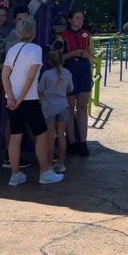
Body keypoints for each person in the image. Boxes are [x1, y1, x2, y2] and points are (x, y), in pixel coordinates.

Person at [2, 16, 63, 186]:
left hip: (12, 100)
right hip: (28, 99)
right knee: (41, 134)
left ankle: (15, 174)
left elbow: (5, 75)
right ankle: (44, 172)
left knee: (15, 136)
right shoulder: (35, 49)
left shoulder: (12, 49)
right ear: (33, 32)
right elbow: (30, 77)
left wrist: (11, 98)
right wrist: (20, 99)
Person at [59, 10, 95, 156]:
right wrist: (74, 53)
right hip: (69, 71)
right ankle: (72, 141)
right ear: (70, 20)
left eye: (81, 18)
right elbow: (58, 58)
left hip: (84, 71)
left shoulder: (88, 35)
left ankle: (83, 142)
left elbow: (92, 56)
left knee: (82, 107)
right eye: (77, 18)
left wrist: (89, 57)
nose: (79, 21)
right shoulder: (62, 37)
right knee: (69, 107)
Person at [38, 45, 74, 173]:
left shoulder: (46, 74)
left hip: (49, 108)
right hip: (63, 106)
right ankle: (61, 162)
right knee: (61, 135)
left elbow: (40, 90)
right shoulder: (68, 73)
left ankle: (49, 164)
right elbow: (70, 89)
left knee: (50, 136)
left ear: (48, 61)